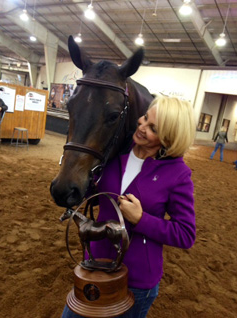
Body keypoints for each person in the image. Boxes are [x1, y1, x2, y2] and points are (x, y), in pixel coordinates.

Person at [62, 96, 196, 318]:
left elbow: (186, 234)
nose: (142, 127)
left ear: (168, 138)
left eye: (152, 128)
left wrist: (141, 219)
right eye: (144, 118)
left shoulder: (178, 174)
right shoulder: (115, 153)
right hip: (94, 266)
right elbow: (94, 193)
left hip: (135, 280)